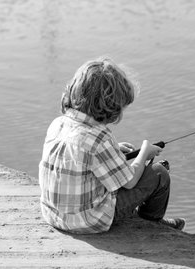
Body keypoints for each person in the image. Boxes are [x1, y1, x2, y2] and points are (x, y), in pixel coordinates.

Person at [38, 57, 185, 234]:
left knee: (123, 173)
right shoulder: (99, 138)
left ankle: (144, 218)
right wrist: (145, 151)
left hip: (54, 215)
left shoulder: (58, 124)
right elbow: (130, 182)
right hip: (88, 220)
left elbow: (82, 158)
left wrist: (115, 150)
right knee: (159, 172)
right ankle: (152, 222)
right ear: (112, 107)